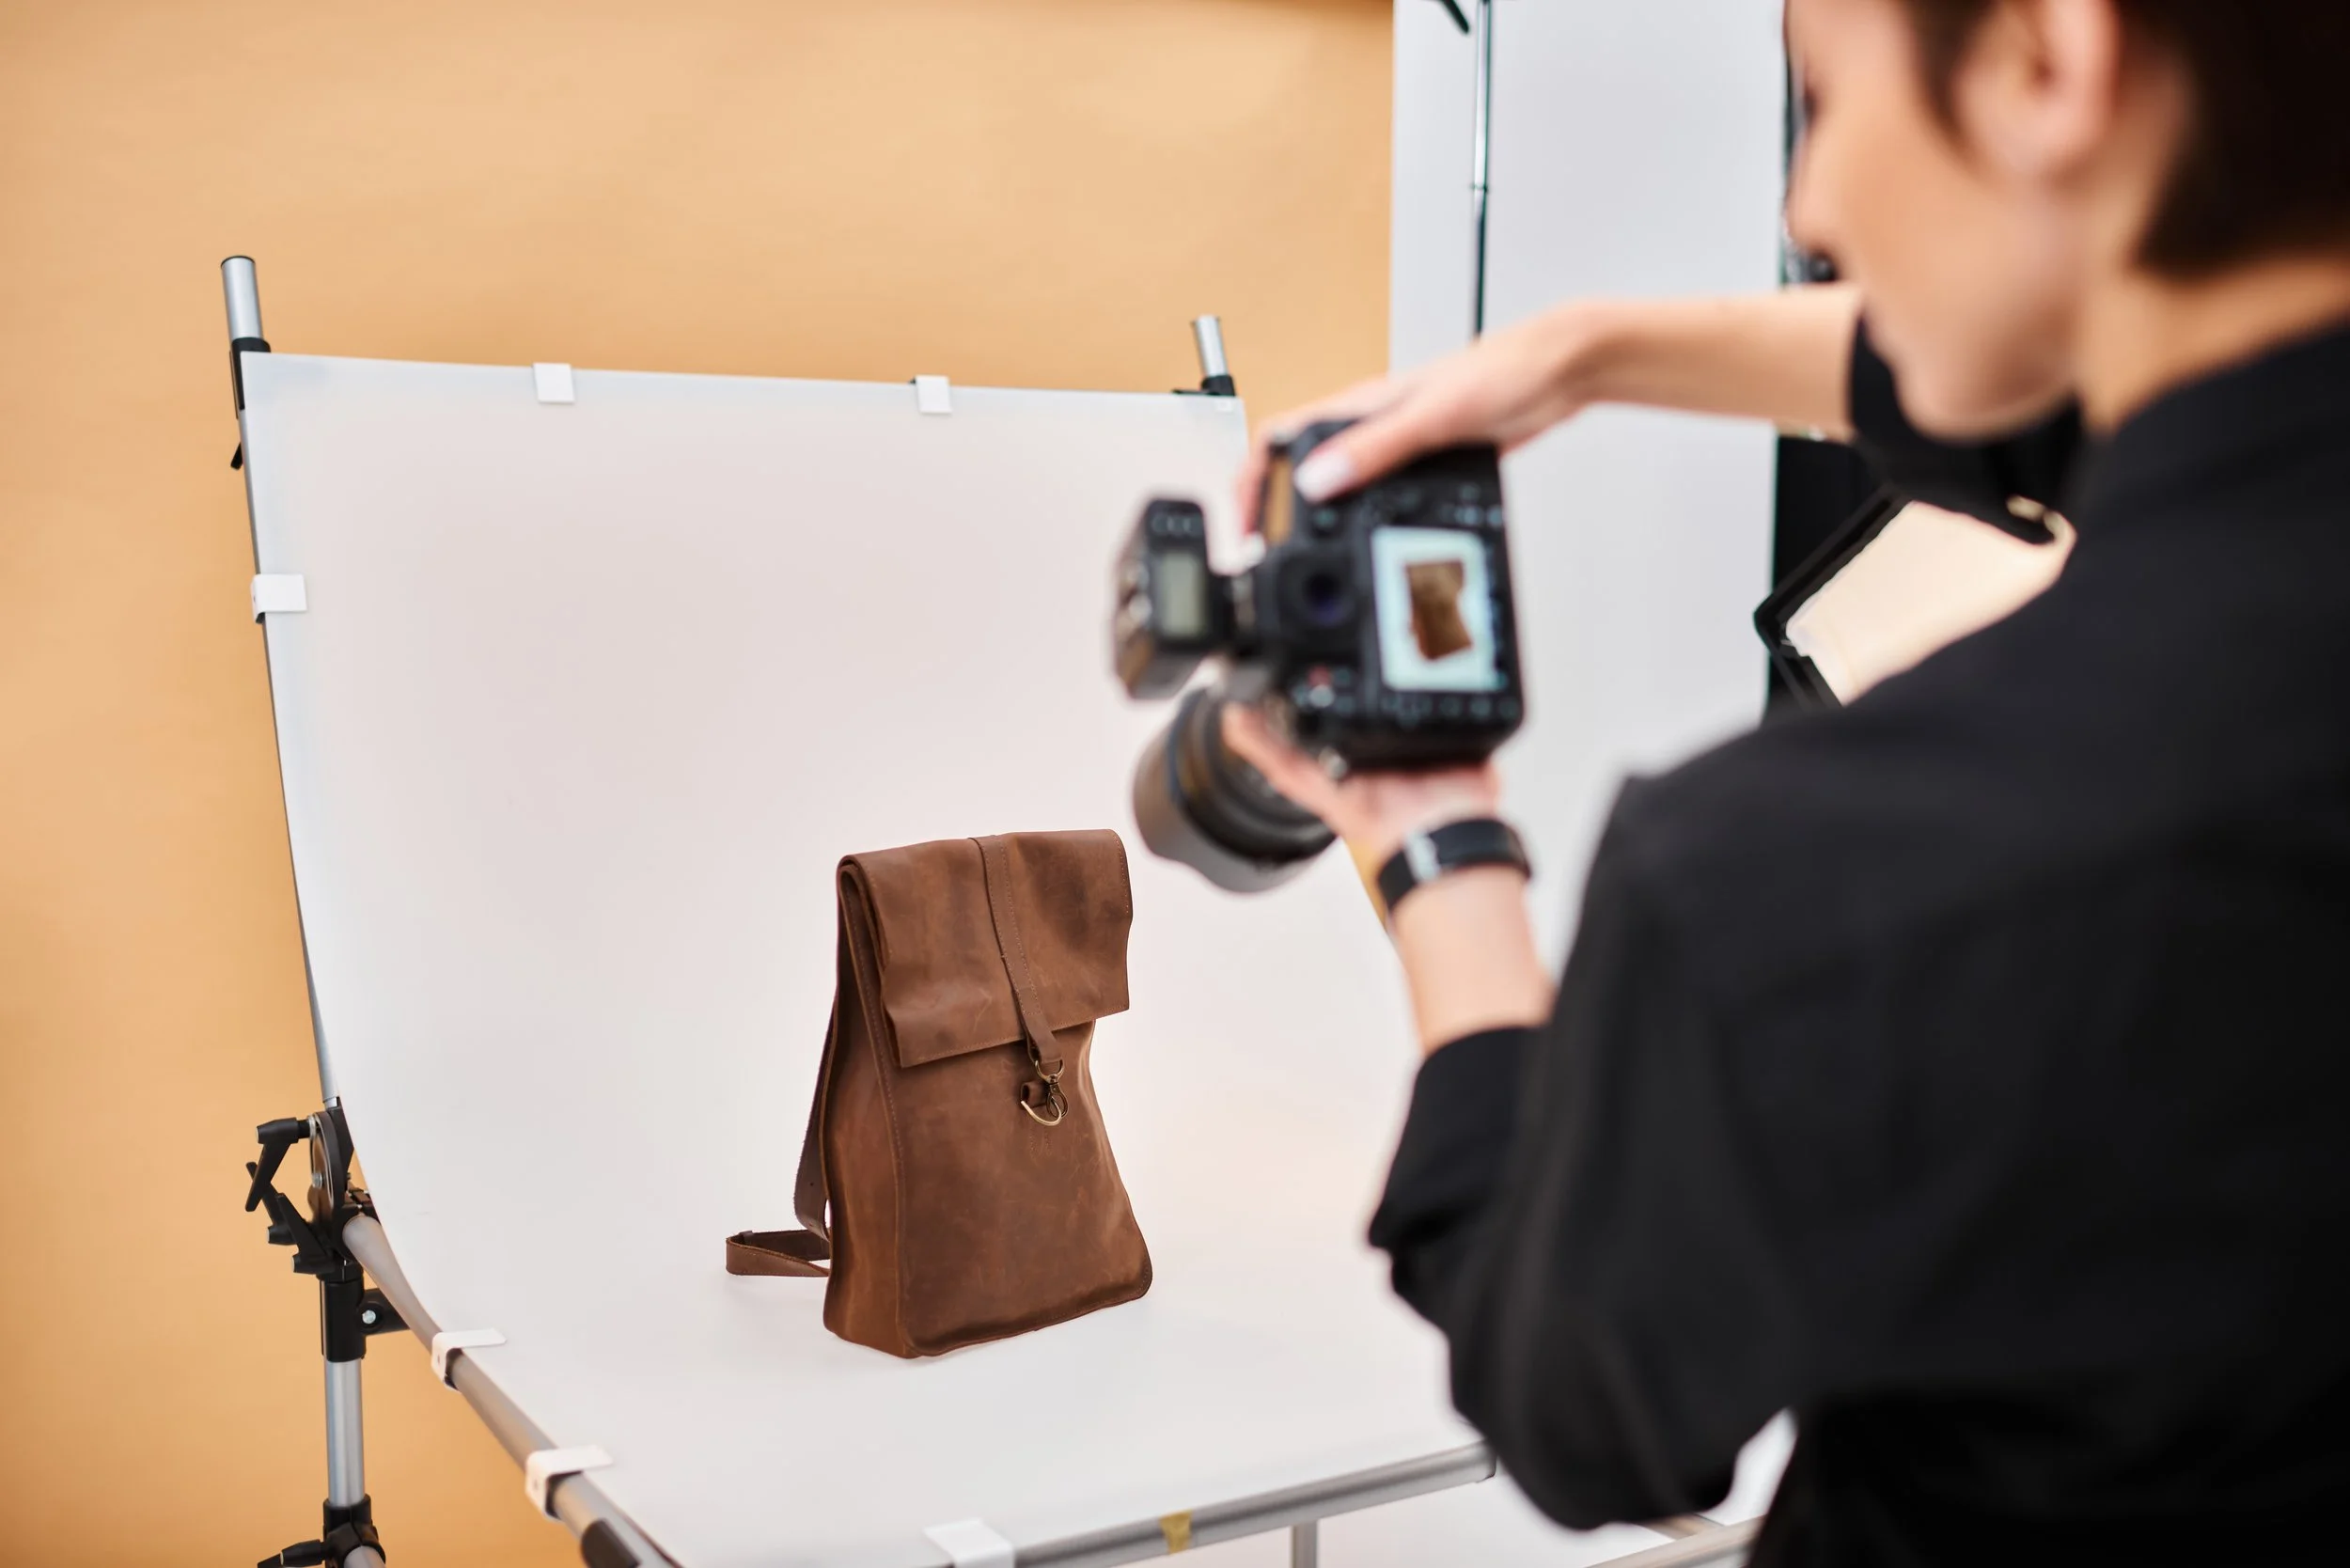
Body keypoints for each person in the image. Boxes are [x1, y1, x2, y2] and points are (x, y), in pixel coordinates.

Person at [1223, 0, 2350, 1561]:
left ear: (2045, 59)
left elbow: (1588, 1413)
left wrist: (1438, 849)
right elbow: (2050, 396)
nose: (1806, 210)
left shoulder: (1811, 878)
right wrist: (1582, 353)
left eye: (1820, 95)